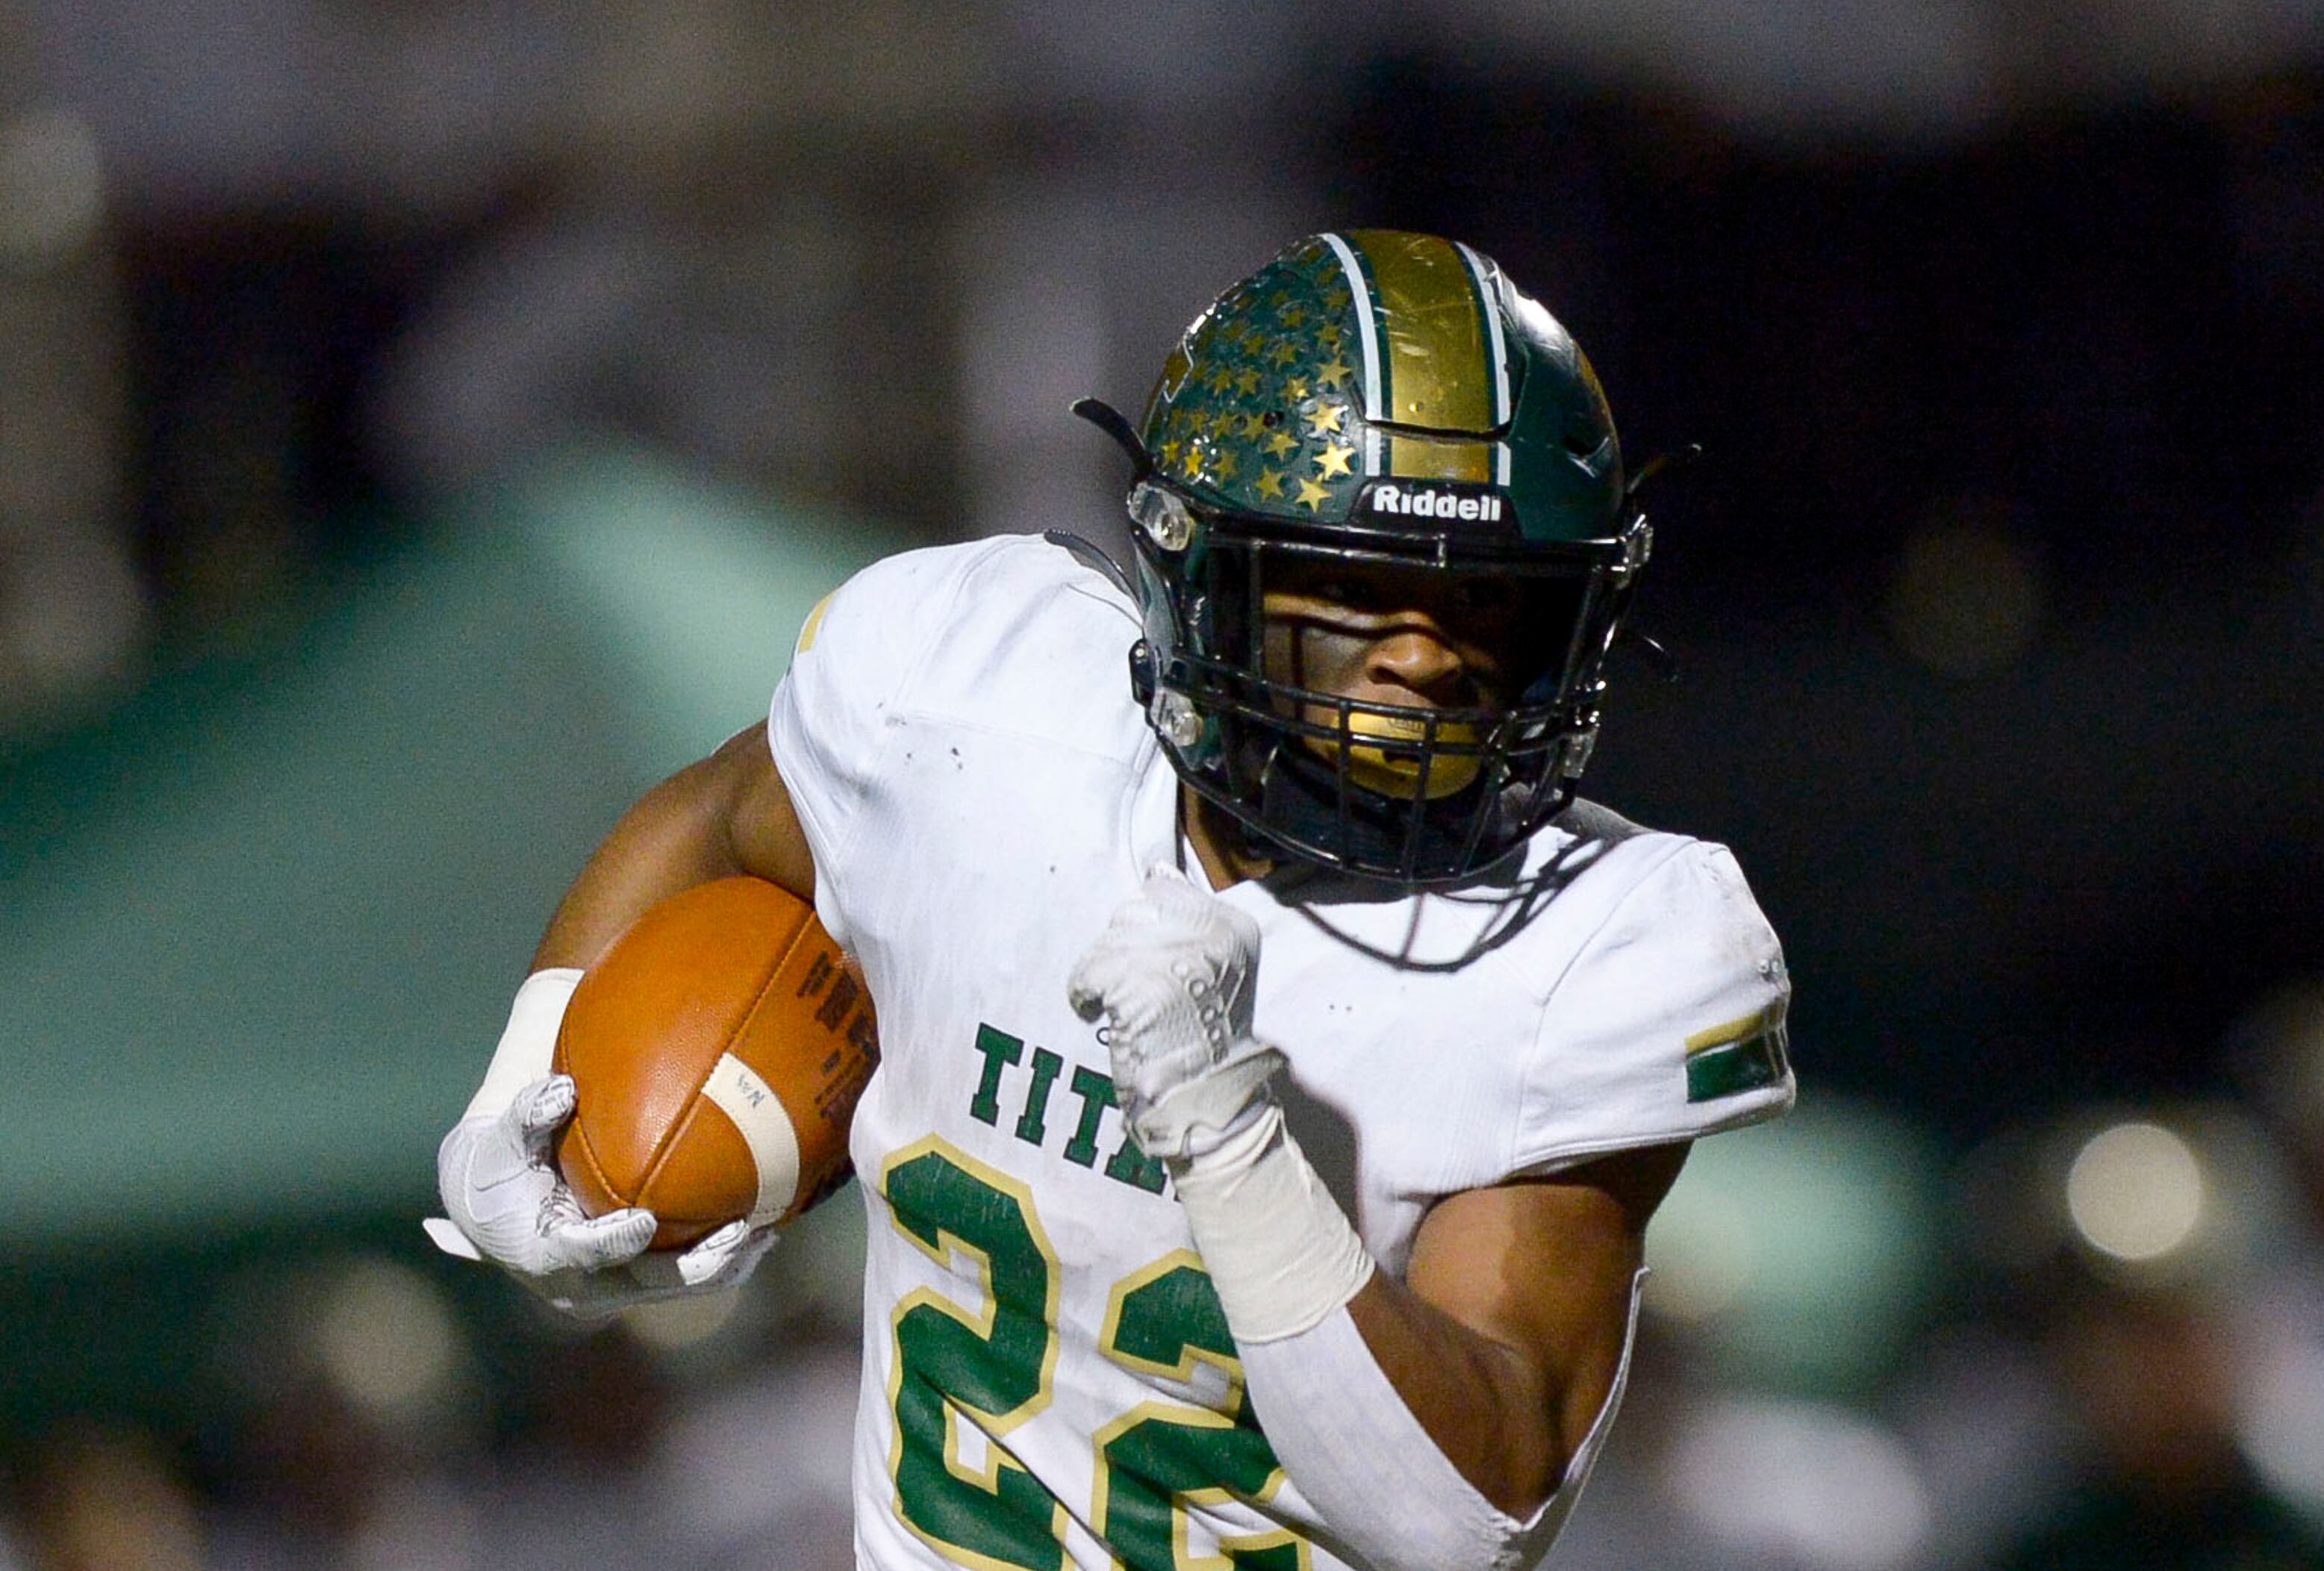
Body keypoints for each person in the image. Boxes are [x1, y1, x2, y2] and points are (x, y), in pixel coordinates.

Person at [432, 229, 1795, 1571]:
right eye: (1357, 595)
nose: (1427, 662)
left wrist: (1226, 1131)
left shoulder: (1604, 939)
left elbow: (1462, 1518)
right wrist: (530, 1073)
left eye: (1491, 609)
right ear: (1200, 573)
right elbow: (726, 811)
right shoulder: (982, 704)